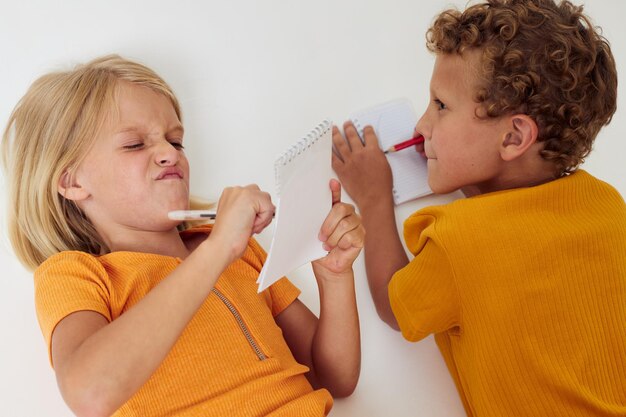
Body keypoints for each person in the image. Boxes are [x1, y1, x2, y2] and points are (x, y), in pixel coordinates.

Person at [1, 54, 364, 417]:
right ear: (72, 181)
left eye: (176, 142)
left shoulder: (240, 251)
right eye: (134, 144)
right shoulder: (74, 274)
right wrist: (220, 249)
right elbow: (91, 393)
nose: (168, 154)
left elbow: (334, 378)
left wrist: (334, 277)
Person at [332, 0, 626, 415]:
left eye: (441, 106)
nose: (421, 126)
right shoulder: (608, 206)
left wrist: (373, 198)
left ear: (513, 139)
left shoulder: (459, 242)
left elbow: (396, 306)